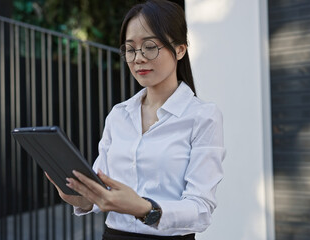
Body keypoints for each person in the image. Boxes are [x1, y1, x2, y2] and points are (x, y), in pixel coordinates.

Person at [46, 0, 225, 239]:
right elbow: (103, 190)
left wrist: (144, 208)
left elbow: (201, 210)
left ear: (180, 49)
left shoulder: (202, 117)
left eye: (150, 46)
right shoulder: (119, 115)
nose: (138, 58)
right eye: (130, 49)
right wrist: (80, 197)